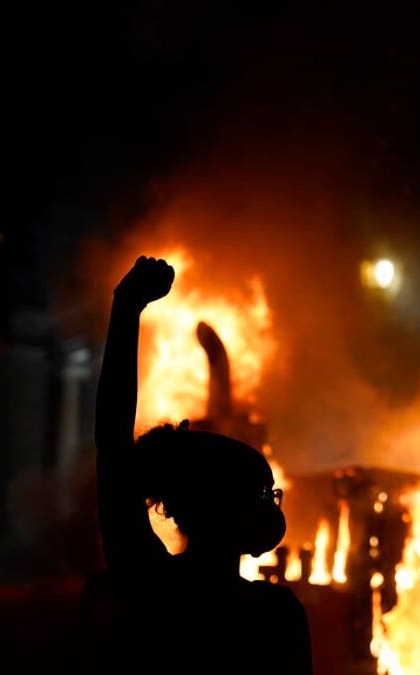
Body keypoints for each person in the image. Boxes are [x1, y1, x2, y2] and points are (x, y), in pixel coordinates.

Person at [95, 255, 313, 673]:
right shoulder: (273, 611)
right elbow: (112, 445)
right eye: (259, 493)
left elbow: (112, 448)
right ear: (212, 505)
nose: (268, 503)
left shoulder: (152, 586)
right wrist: (125, 308)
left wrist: (127, 306)